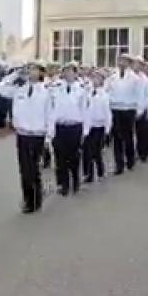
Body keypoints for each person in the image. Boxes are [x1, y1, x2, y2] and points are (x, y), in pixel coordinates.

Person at [0, 61, 50, 213]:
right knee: (24, 168)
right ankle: (28, 198)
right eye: (28, 69)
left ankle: (36, 199)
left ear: (41, 72)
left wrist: (48, 137)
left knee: (33, 168)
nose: (30, 72)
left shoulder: (47, 90)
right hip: (22, 134)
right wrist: (15, 74)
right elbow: (1, 89)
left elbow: (50, 114)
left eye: (34, 69)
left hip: (38, 134)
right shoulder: (19, 88)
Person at [49, 61, 89, 196]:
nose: (68, 74)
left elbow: (85, 110)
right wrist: (50, 129)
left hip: (75, 126)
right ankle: (63, 184)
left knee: (74, 156)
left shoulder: (82, 88)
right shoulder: (55, 87)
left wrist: (85, 130)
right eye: (66, 71)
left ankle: (75, 180)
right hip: (60, 126)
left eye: (71, 71)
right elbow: (51, 108)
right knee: (60, 158)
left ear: (75, 73)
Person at [105, 54, 140, 175]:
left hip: (129, 108)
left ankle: (130, 160)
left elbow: (138, 94)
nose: (121, 63)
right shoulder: (112, 77)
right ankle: (118, 164)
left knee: (128, 136)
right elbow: (106, 91)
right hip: (115, 108)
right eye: (119, 60)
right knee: (117, 137)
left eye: (124, 61)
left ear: (129, 63)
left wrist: (138, 109)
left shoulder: (134, 78)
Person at [82, 70, 112, 184]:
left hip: (99, 126)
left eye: (97, 78)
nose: (94, 80)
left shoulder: (104, 95)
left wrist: (107, 128)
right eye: (93, 78)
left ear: (102, 81)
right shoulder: (88, 92)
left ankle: (100, 171)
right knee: (87, 151)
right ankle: (88, 174)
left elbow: (107, 113)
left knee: (96, 151)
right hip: (88, 126)